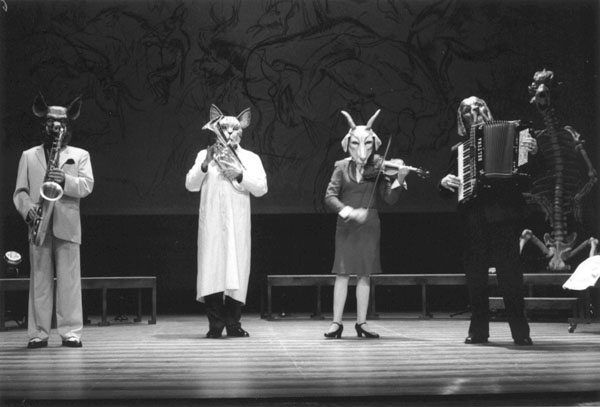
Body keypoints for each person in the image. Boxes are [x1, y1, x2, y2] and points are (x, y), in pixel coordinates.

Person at [440, 96, 538, 345]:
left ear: (488, 110)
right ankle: (478, 331)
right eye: (468, 110)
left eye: (480, 106)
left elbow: (532, 173)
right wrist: (444, 182)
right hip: (473, 219)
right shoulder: (460, 150)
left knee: (511, 277)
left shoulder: (517, 135)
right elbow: (447, 189)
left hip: (504, 215)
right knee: (476, 279)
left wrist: (534, 153)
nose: (475, 111)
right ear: (462, 120)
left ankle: (521, 332)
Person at [14, 94, 94, 349]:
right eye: (50, 121)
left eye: (61, 122)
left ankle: (71, 332)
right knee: (39, 281)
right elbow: (20, 192)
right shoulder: (29, 156)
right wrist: (28, 211)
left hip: (67, 225)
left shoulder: (80, 155)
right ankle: (39, 332)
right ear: (43, 123)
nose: (56, 126)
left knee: (70, 282)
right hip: (39, 223)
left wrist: (65, 181)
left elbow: (87, 186)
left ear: (68, 125)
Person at [323, 109, 409, 339]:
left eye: (368, 144)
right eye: (355, 144)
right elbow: (329, 197)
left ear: (374, 144)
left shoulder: (378, 167)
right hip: (346, 226)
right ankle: (336, 323)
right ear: (348, 144)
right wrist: (349, 211)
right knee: (342, 273)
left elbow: (389, 198)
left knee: (364, 275)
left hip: (369, 226)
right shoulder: (341, 167)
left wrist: (399, 179)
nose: (362, 151)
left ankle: (362, 323)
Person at [186, 104, 267, 338]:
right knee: (212, 270)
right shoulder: (204, 155)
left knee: (236, 271)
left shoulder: (250, 158)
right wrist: (205, 164)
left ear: (242, 130)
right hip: (212, 223)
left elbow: (262, 187)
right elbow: (190, 184)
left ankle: (233, 324)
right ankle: (215, 324)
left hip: (237, 223)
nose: (230, 133)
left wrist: (240, 175)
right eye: (224, 128)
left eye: (235, 129)